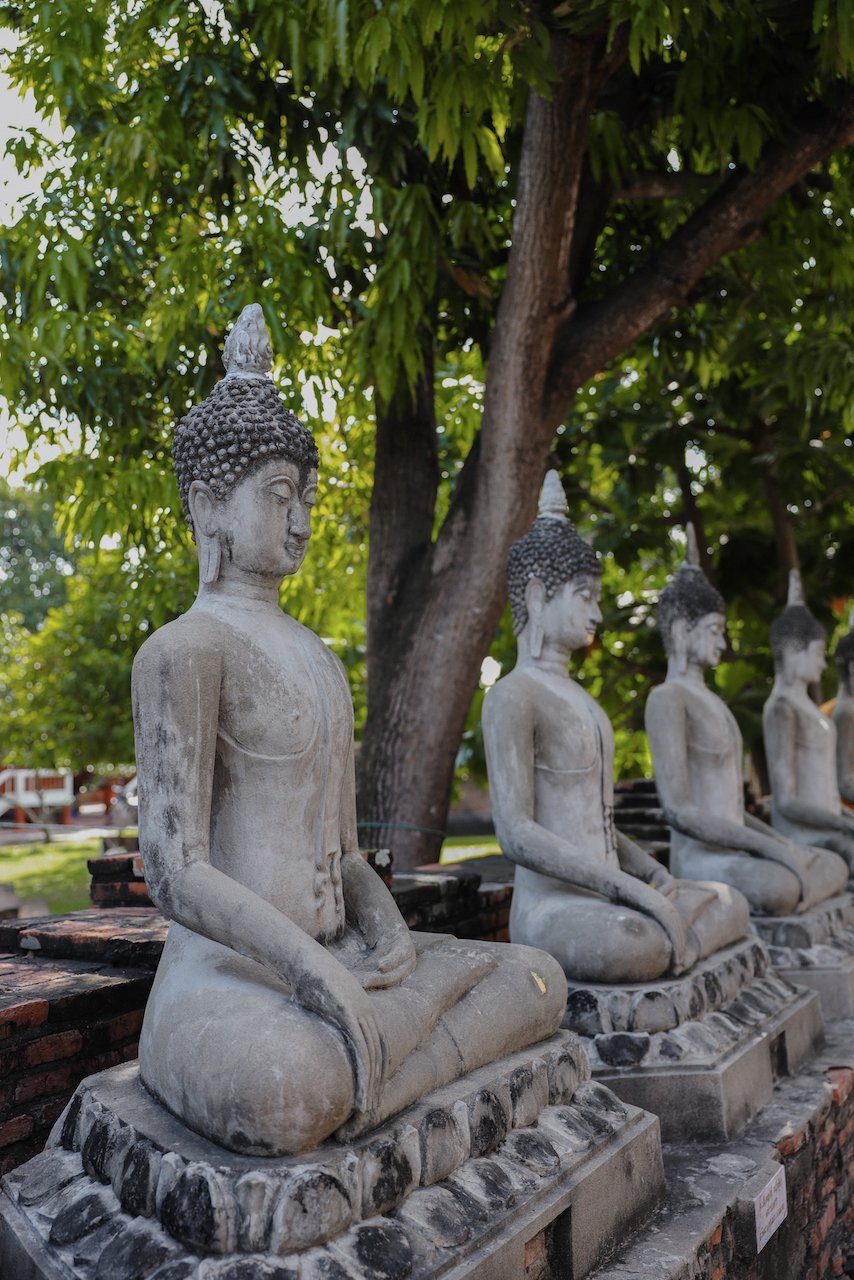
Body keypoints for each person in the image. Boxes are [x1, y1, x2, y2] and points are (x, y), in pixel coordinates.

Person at [132, 306, 566, 1157]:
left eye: (306, 498)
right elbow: (176, 873)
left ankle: (372, 1061)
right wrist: (310, 969)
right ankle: (371, 1065)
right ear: (211, 503)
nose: (299, 522)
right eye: (279, 496)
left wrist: (389, 934)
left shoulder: (318, 659)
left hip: (341, 963)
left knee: (536, 977)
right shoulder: (183, 651)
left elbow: (346, 855)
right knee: (288, 1091)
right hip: (231, 980)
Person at [483, 474, 748, 986]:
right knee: (636, 941)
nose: (597, 613)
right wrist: (629, 890)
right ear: (537, 596)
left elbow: (597, 822)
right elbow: (517, 833)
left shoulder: (582, 700)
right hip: (556, 909)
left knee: (727, 900)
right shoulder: (512, 696)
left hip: (611, 898)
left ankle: (671, 934)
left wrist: (648, 873)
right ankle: (668, 938)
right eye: (584, 597)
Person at [646, 537, 847, 915]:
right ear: (679, 631)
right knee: (780, 886)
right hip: (702, 859)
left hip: (739, 853)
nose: (723, 641)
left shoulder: (716, 704)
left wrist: (782, 845)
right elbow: (679, 811)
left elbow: (736, 813)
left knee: (831, 864)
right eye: (713, 631)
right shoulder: (667, 699)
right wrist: (773, 848)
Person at [763, 571, 854, 868]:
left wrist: (846, 821)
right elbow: (786, 801)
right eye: (817, 653)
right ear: (792, 651)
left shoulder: (812, 711)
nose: (822, 663)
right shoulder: (780, 708)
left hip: (829, 826)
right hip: (803, 836)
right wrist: (842, 825)